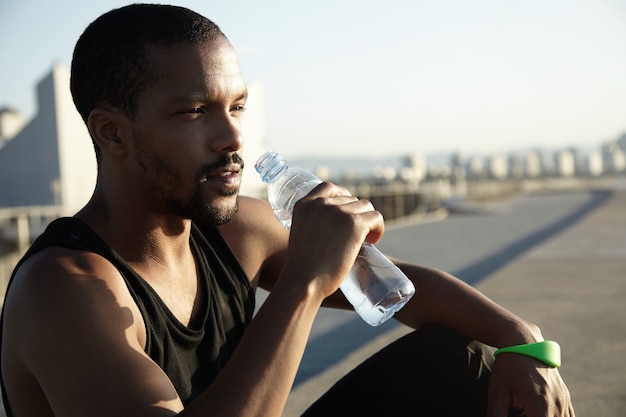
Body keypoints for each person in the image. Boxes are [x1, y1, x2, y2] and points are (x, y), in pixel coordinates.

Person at [0, 4, 574, 417]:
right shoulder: (65, 289)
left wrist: (523, 340)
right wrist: (304, 281)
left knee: (468, 363)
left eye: (238, 106)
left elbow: (403, 289)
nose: (232, 137)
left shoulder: (238, 231)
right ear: (112, 133)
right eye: (194, 111)